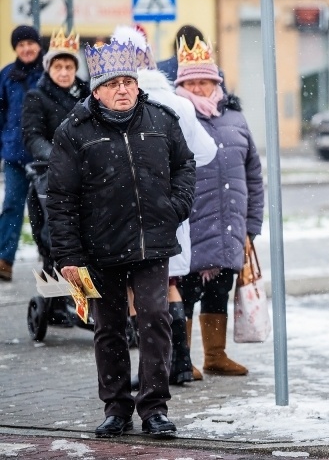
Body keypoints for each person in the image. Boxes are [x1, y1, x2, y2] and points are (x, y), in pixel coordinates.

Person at [47, 38, 196, 438]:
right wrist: (69, 257)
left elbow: (185, 165)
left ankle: (154, 408)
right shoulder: (73, 132)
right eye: (114, 84)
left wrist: (175, 206)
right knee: (109, 328)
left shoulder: (160, 119)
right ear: (97, 90)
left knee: (154, 319)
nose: (124, 89)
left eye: (129, 81)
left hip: (151, 242)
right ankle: (116, 407)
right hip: (99, 248)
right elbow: (60, 199)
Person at [111, 25, 218, 387]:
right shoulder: (179, 104)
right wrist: (177, 192)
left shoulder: (112, 103)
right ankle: (181, 364)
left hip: (126, 215)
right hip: (169, 215)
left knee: (133, 289)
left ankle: (146, 370)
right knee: (167, 283)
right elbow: (205, 152)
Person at [173, 36, 264, 379]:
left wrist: (250, 226)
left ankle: (215, 355)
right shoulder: (175, 116)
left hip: (229, 227)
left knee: (219, 291)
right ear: (181, 85)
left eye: (204, 80)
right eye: (191, 81)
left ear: (217, 82)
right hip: (190, 226)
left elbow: (253, 174)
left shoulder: (235, 118)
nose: (198, 86)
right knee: (185, 294)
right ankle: (180, 359)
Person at [21, 27, 90, 325]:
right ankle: (65, 298)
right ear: (49, 67)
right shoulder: (37, 97)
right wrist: (59, 157)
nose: (64, 72)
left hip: (88, 174)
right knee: (58, 239)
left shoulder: (88, 95)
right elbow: (33, 136)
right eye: (59, 66)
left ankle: (84, 299)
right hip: (52, 175)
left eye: (69, 66)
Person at [0, 25, 43, 281]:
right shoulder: (6, 76)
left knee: (49, 211)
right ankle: (4, 260)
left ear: (38, 45)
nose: (26, 49)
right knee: (12, 207)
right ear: (16, 48)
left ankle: (50, 259)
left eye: (30, 43)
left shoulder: (50, 72)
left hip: (45, 157)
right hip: (15, 155)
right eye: (21, 44)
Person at [157, 25, 224, 90]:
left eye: (202, 83)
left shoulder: (159, 70)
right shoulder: (215, 73)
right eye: (190, 83)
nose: (196, 89)